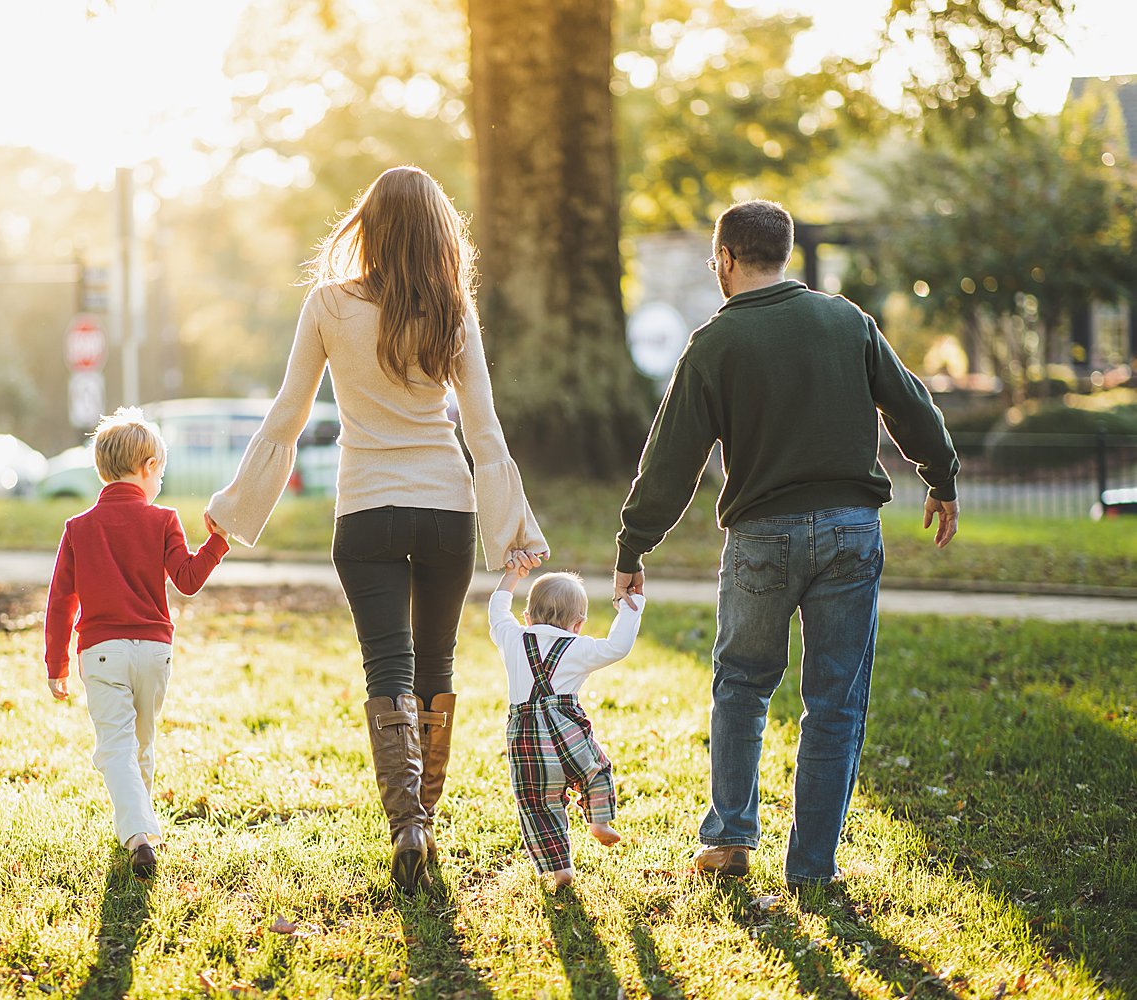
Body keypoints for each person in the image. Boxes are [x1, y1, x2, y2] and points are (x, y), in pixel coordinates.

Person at [206, 165, 548, 892]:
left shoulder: (329, 304)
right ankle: (426, 817)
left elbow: (287, 417)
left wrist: (236, 506)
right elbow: (483, 431)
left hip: (364, 509)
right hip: (445, 509)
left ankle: (408, 827)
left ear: (369, 224)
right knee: (437, 667)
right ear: (436, 231)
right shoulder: (452, 310)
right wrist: (514, 526)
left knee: (386, 668)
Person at [611, 200, 960, 889]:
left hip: (761, 538)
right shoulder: (847, 322)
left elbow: (671, 459)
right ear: (785, 254)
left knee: (741, 684)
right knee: (835, 701)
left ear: (727, 260)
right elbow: (912, 405)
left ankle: (731, 838)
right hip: (851, 533)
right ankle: (812, 867)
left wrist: (634, 545)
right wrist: (940, 476)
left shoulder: (715, 342)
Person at [44, 407, 231, 878]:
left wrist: (57, 663)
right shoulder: (164, 519)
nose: (161, 483)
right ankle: (141, 833)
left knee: (115, 747)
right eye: (161, 473)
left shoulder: (78, 528)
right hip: (153, 652)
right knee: (141, 745)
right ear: (147, 467)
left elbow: (61, 599)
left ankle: (136, 833)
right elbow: (187, 580)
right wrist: (216, 543)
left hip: (101, 653)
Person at [490, 568, 643, 889]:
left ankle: (561, 869)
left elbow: (497, 611)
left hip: (524, 736)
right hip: (566, 728)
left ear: (528, 617)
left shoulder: (513, 637)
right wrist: (631, 606)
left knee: (536, 802)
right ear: (578, 624)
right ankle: (599, 820)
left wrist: (511, 576)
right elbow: (618, 646)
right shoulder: (579, 646)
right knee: (595, 770)